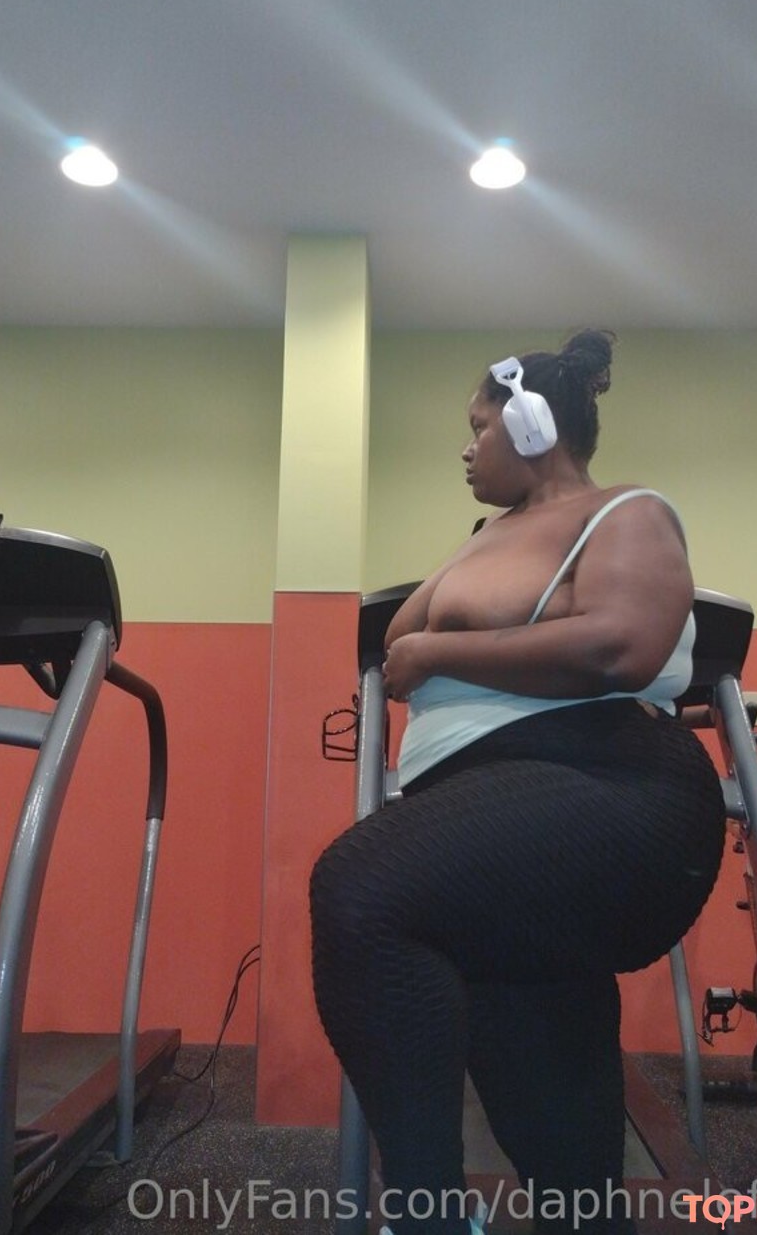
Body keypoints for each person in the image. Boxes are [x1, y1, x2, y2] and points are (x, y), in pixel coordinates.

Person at [310, 330, 725, 1235]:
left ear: (532, 423)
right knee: (561, 1147)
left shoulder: (627, 512)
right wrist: (427, 635)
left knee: (358, 890)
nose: (466, 448)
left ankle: (423, 1213)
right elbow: (402, 642)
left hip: (611, 784)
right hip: (501, 836)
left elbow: (622, 644)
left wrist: (436, 651)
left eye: (478, 426)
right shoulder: (491, 536)